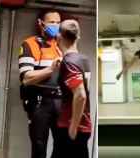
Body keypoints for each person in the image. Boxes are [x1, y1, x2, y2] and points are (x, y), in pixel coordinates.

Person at [18, 10, 62, 158]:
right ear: (40, 23)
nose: (55, 25)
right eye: (51, 22)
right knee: (39, 145)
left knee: (63, 145)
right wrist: (50, 69)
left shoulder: (62, 45)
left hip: (60, 102)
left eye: (58, 22)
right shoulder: (30, 44)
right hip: (39, 103)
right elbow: (27, 77)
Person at [54, 19, 92, 158]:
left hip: (71, 126)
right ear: (78, 36)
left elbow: (80, 95)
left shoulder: (69, 62)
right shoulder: (84, 59)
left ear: (58, 37)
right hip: (84, 124)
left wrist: (73, 126)